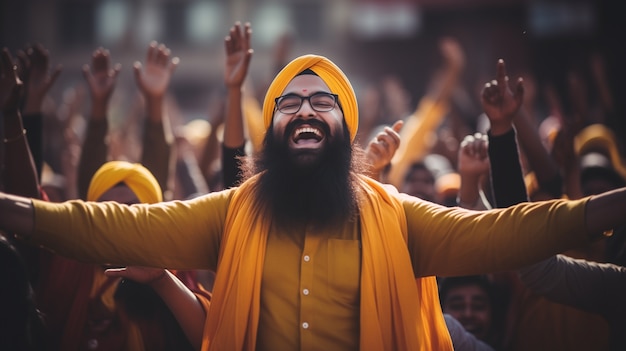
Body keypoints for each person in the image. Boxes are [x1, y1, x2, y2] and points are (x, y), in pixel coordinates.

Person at [1, 54, 626, 351]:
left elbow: (512, 233)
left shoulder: (397, 216)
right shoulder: (230, 213)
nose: (304, 109)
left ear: (345, 129)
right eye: (289, 103)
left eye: (321, 101)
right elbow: (104, 226)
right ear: (273, 129)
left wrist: (608, 206)